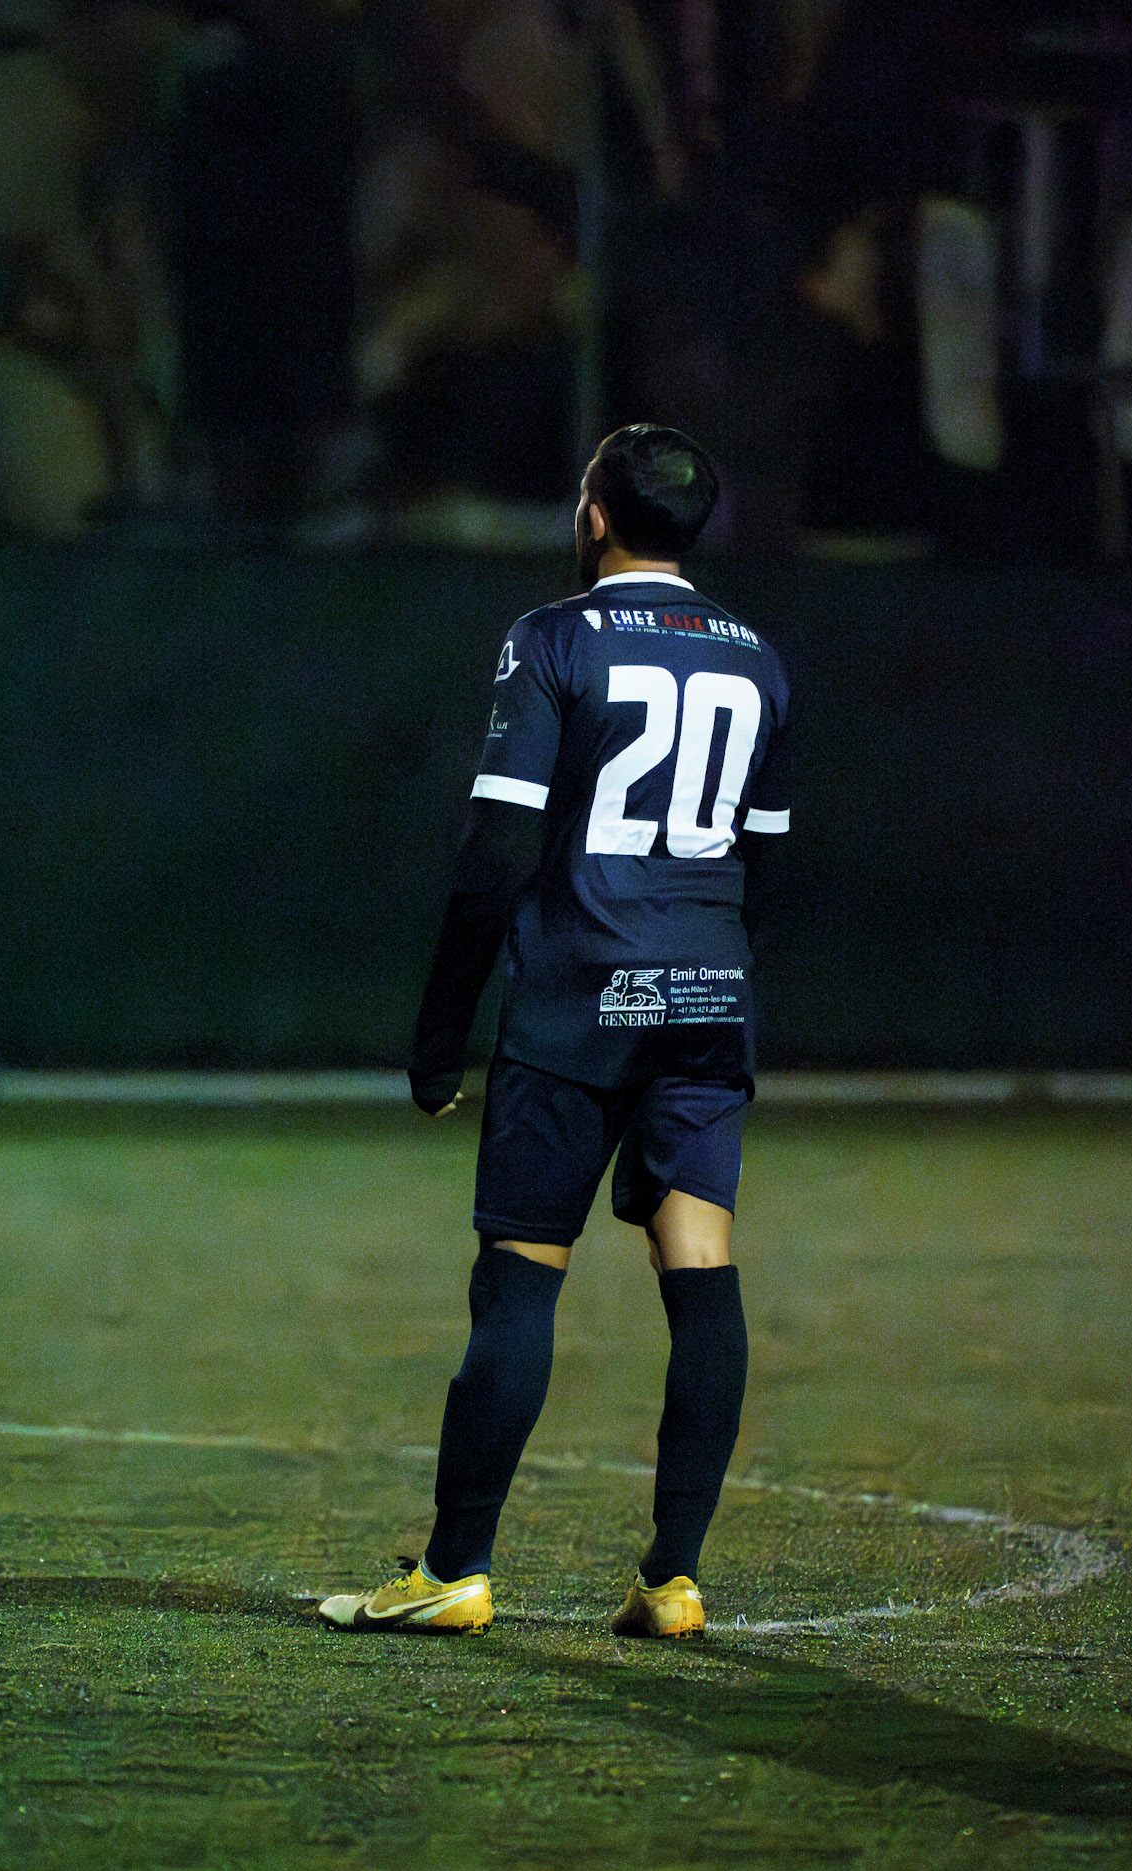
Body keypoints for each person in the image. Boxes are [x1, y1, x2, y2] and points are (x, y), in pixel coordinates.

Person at [318, 424, 790, 1640]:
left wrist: (441, 1034)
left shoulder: (553, 638)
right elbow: (765, 862)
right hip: (707, 993)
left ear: (594, 515)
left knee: (521, 1274)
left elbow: (496, 849)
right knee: (702, 1268)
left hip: (580, 999)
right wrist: (712, 974)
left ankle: (454, 1568)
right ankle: (673, 1579)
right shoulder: (759, 659)